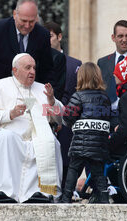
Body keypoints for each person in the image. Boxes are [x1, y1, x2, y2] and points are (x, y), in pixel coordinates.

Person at [0, 53, 63, 203]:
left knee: (51, 141)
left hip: (36, 138)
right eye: (28, 68)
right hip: (10, 136)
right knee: (7, 137)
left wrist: (51, 100)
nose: (32, 71)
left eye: (34, 68)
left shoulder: (43, 89)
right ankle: (7, 192)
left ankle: (41, 192)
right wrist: (10, 114)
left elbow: (59, 118)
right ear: (15, 70)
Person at [0, 0, 54, 100]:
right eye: (24, 21)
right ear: (14, 14)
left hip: (30, 99)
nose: (27, 26)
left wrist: (44, 97)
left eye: (31, 22)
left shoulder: (42, 35)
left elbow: (47, 69)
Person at [60, 62, 111, 203]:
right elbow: (108, 117)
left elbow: (68, 118)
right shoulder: (105, 97)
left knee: (73, 169)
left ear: (81, 77)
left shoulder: (78, 96)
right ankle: (104, 198)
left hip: (81, 142)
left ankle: (65, 198)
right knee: (98, 172)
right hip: (99, 144)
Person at [44, 21, 82, 189]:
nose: (47, 40)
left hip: (68, 117)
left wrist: (64, 112)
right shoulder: (38, 61)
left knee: (67, 154)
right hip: (44, 116)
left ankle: (67, 190)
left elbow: (77, 91)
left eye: (50, 36)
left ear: (59, 36)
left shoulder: (75, 64)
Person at [97, 20, 127, 108]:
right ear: (113, 37)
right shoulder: (102, 62)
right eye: (120, 36)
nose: (124, 40)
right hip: (107, 113)